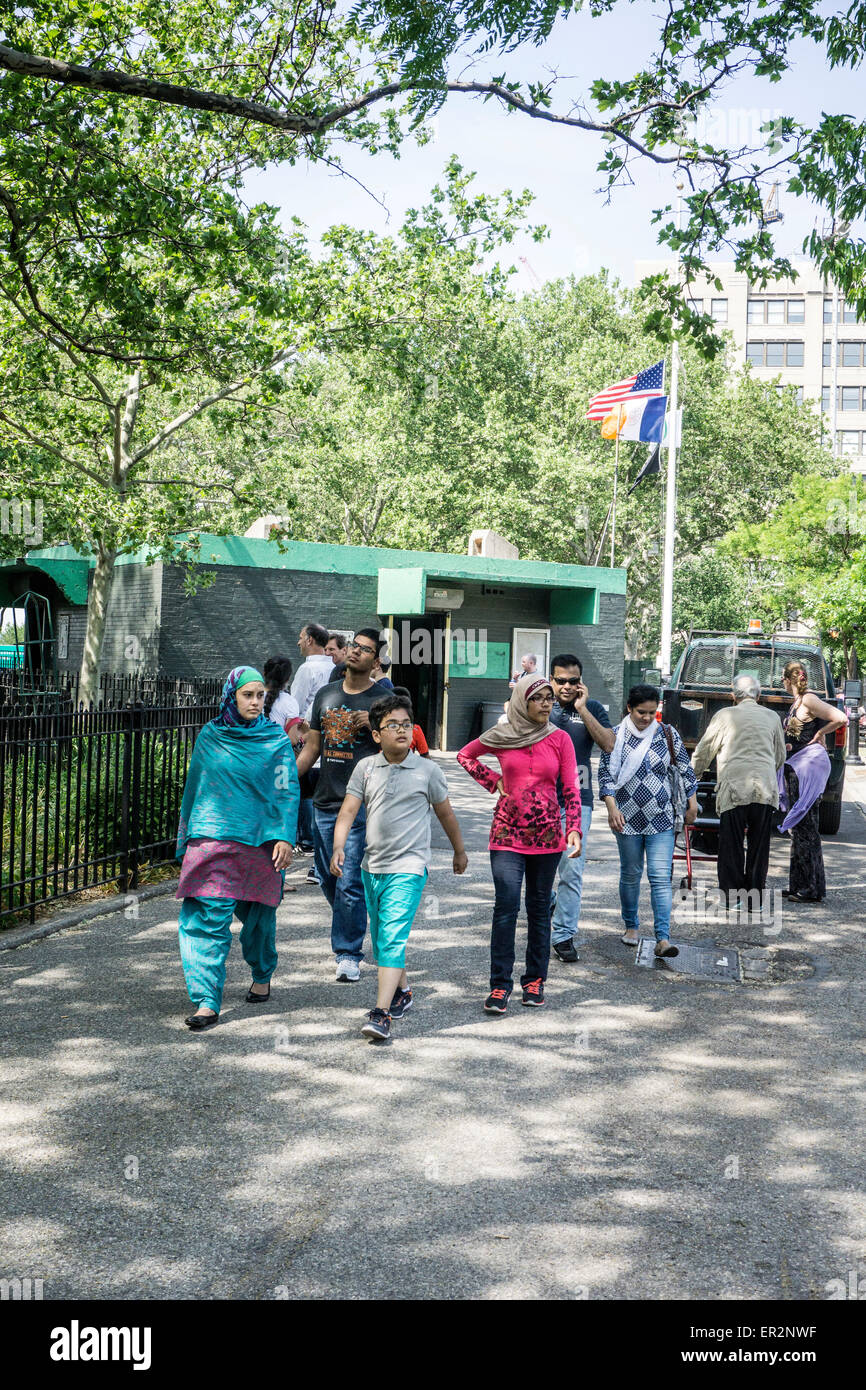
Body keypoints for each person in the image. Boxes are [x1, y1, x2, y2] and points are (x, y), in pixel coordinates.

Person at [330, 692, 468, 1042]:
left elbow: (446, 813)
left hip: (409, 867)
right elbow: (347, 811)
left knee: (390, 937)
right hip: (370, 866)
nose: (402, 730)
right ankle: (404, 991)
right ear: (376, 734)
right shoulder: (365, 767)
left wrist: (459, 851)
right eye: (393, 725)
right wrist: (338, 847)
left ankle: (381, 1013)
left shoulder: (427, 771)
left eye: (407, 724)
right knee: (381, 939)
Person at [175, 666, 299, 1031]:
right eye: (249, 695)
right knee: (205, 920)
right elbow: (194, 788)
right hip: (211, 838)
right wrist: (186, 839)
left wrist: (285, 836)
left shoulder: (275, 741)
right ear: (232, 696)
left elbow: (286, 789)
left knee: (259, 920)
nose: (257, 702)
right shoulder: (210, 737)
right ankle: (206, 1000)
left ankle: (262, 973)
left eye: (261, 695)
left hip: (260, 844)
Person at [457, 673, 581, 1013]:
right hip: (506, 834)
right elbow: (466, 756)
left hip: (547, 836)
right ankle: (499, 986)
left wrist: (574, 828)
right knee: (506, 907)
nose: (546, 704)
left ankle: (534, 981)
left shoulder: (560, 739)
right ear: (522, 701)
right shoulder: (502, 734)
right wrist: (493, 780)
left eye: (548, 698)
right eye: (538, 698)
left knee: (539, 909)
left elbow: (570, 786)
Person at [294, 627, 384, 981]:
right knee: (328, 879)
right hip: (324, 799)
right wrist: (287, 778)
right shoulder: (326, 695)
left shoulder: (382, 701)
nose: (356, 652)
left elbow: (398, 749)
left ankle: (348, 953)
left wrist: (377, 724)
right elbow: (312, 748)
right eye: (354, 646)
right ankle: (354, 920)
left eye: (365, 649)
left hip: (361, 802)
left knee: (348, 879)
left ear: (375, 661)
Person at [598, 684, 698, 957]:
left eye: (652, 712)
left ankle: (663, 938)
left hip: (661, 818)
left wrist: (692, 802)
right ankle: (631, 926)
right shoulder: (615, 736)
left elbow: (684, 770)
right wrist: (611, 808)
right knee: (630, 875)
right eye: (641, 712)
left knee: (659, 878)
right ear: (629, 708)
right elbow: (605, 776)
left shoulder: (667, 734)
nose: (646, 717)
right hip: (626, 819)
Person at [691, 674, 786, 907]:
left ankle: (731, 898)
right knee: (759, 845)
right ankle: (755, 900)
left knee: (731, 843)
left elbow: (705, 751)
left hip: (734, 788)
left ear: (733, 696)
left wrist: (692, 776)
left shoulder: (724, 715)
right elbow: (780, 755)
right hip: (764, 788)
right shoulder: (772, 717)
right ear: (759, 695)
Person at [548, 654, 614, 963]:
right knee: (537, 870)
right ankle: (550, 902)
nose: (566, 686)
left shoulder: (593, 708)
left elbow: (609, 744)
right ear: (551, 680)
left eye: (573, 681)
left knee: (571, 870)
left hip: (577, 802)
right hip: (539, 802)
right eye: (560, 680)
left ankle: (563, 935)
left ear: (581, 682)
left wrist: (582, 708)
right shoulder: (539, 704)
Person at [777, 660, 846, 903]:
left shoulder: (808, 699)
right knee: (799, 827)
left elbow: (840, 717)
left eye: (783, 679)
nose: (782, 683)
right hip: (796, 767)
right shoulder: (797, 702)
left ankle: (810, 888)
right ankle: (799, 884)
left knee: (806, 827)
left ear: (788, 679)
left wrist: (820, 733)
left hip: (806, 769)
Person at [291, 622, 335, 718]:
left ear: (309, 640)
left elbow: (294, 707)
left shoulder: (307, 669)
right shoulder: (334, 667)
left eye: (301, 638)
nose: (298, 643)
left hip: (305, 728)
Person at [263, 655, 302, 738]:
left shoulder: (251, 698)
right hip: (277, 750)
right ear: (287, 679)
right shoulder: (290, 702)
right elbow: (292, 740)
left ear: (264, 673)